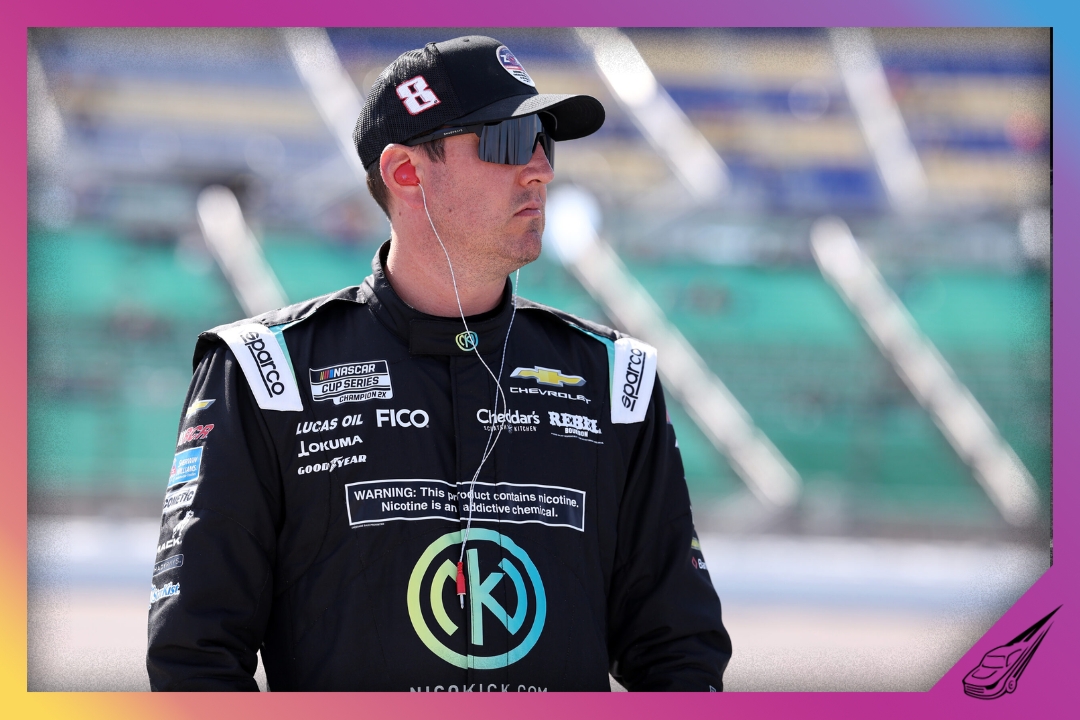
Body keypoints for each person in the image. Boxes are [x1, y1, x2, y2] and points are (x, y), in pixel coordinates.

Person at [147, 34, 731, 692]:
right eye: (507, 142)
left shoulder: (613, 378)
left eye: (545, 141)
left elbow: (679, 650)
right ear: (405, 173)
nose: (539, 168)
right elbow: (195, 660)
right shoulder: (263, 372)